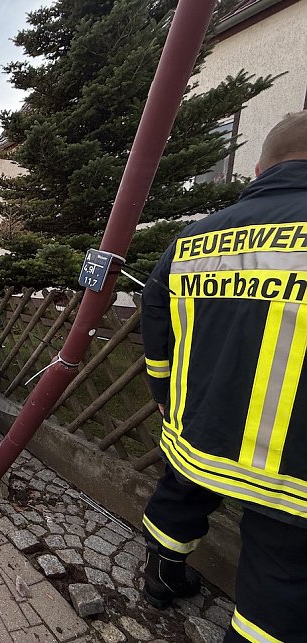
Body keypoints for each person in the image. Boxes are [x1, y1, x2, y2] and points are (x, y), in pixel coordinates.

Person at [140, 110, 307, 642]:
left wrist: (165, 397)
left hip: (199, 427)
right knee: (280, 580)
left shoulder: (191, 241)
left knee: (178, 501)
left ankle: (161, 580)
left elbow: (156, 330)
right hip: (291, 460)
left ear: (257, 169)